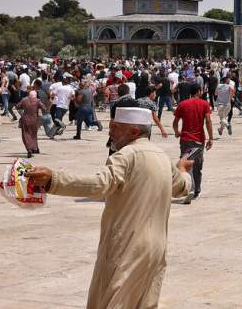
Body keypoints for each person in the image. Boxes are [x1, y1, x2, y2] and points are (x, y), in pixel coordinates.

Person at [26, 107, 193, 309]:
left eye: (116, 127)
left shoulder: (126, 155)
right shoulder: (162, 157)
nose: (110, 132)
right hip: (156, 250)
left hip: (127, 248)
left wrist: (54, 179)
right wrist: (183, 170)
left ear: (133, 132)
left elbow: (100, 183)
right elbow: (182, 186)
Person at [172, 86, 213, 202]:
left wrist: (176, 132)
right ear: (199, 92)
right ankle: (196, 190)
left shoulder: (183, 104)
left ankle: (189, 188)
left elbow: (175, 122)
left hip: (185, 140)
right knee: (197, 166)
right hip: (198, 140)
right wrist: (211, 138)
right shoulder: (204, 104)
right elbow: (208, 121)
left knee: (185, 164)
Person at [17, 90, 47, 158]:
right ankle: (35, 148)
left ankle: (29, 149)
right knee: (33, 134)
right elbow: (44, 108)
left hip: (25, 120)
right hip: (34, 120)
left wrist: (23, 108)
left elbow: (17, 106)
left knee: (26, 134)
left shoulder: (24, 100)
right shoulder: (37, 101)